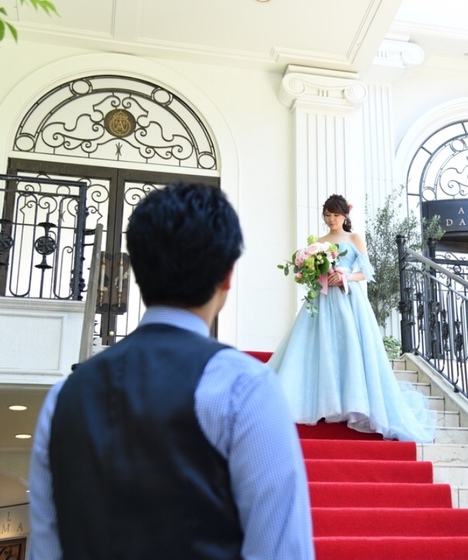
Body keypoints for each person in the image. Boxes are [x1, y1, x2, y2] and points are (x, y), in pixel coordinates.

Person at [27, 183, 315, 560]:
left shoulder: (61, 398)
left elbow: (44, 550)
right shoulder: (245, 387)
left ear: (137, 270)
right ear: (227, 275)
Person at [268, 194, 436, 443]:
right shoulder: (319, 243)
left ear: (345, 215)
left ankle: (353, 403)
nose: (331, 219)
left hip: (349, 299)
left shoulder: (354, 238)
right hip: (323, 299)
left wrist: (344, 276)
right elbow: (310, 276)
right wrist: (317, 273)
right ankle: (323, 401)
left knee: (350, 347)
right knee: (320, 346)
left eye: (336, 215)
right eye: (327, 214)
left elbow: (366, 272)